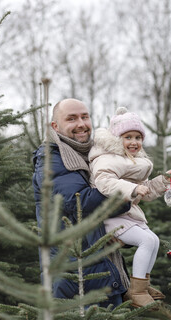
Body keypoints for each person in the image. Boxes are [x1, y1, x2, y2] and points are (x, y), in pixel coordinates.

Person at [32, 98, 131, 308]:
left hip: (101, 269)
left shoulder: (95, 155)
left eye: (85, 117)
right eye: (72, 118)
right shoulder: (52, 158)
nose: (81, 124)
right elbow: (78, 202)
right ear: (55, 126)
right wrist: (125, 192)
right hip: (74, 277)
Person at [88, 107, 171, 308]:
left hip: (128, 214)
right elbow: (105, 182)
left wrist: (163, 181)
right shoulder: (106, 158)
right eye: (128, 137)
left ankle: (142, 284)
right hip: (110, 215)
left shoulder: (134, 162)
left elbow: (145, 191)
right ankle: (135, 291)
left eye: (138, 137)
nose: (134, 142)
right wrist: (133, 188)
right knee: (146, 240)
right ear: (116, 139)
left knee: (154, 240)